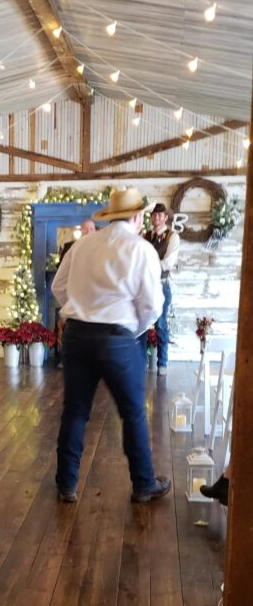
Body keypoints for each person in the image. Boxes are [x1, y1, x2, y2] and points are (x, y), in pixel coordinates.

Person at [52, 186, 171, 504]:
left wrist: (79, 309)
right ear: (136, 217)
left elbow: (58, 287)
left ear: (110, 217)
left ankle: (66, 484)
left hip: (76, 336)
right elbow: (152, 305)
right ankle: (144, 485)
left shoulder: (83, 244)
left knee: (75, 412)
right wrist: (134, 329)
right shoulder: (141, 249)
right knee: (132, 412)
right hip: (117, 339)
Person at [55, 219, 96, 368]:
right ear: (81, 231)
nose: (89, 232)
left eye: (92, 229)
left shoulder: (101, 249)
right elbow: (59, 281)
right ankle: (64, 359)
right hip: (75, 301)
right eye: (86, 229)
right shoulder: (69, 248)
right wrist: (69, 304)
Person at [145, 203, 180, 376]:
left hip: (161, 283)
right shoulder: (146, 235)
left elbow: (168, 262)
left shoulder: (172, 237)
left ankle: (162, 363)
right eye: (154, 215)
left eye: (160, 215)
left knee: (160, 324)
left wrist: (148, 266)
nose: (156, 217)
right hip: (145, 285)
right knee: (142, 323)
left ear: (166, 217)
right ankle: (142, 361)